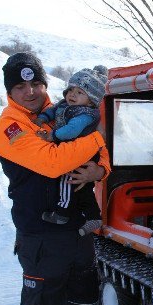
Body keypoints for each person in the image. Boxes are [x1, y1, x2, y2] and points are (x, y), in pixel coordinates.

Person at [0, 52, 111, 305]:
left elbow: (101, 157)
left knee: (83, 300)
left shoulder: (63, 107)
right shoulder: (11, 127)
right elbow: (53, 161)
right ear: (10, 90)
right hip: (41, 235)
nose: (30, 91)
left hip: (77, 229)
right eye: (20, 86)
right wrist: (97, 139)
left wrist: (99, 172)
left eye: (36, 83)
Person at [35, 67, 108, 236]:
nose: (72, 95)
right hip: (74, 150)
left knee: (67, 181)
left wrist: (52, 136)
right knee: (82, 188)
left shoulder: (86, 114)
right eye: (71, 90)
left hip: (82, 153)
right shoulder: (65, 105)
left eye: (79, 92)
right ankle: (93, 217)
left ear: (91, 100)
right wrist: (43, 118)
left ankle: (62, 213)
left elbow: (71, 131)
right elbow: (53, 111)